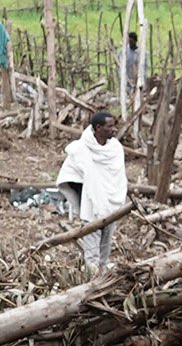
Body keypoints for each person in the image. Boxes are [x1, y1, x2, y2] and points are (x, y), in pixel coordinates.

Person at [56, 110, 130, 269]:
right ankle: (92, 276)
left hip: (111, 203)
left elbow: (117, 176)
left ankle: (103, 270)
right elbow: (69, 173)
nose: (114, 129)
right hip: (92, 203)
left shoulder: (115, 148)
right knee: (92, 241)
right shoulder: (81, 148)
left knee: (107, 240)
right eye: (110, 126)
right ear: (98, 128)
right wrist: (85, 193)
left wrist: (113, 195)